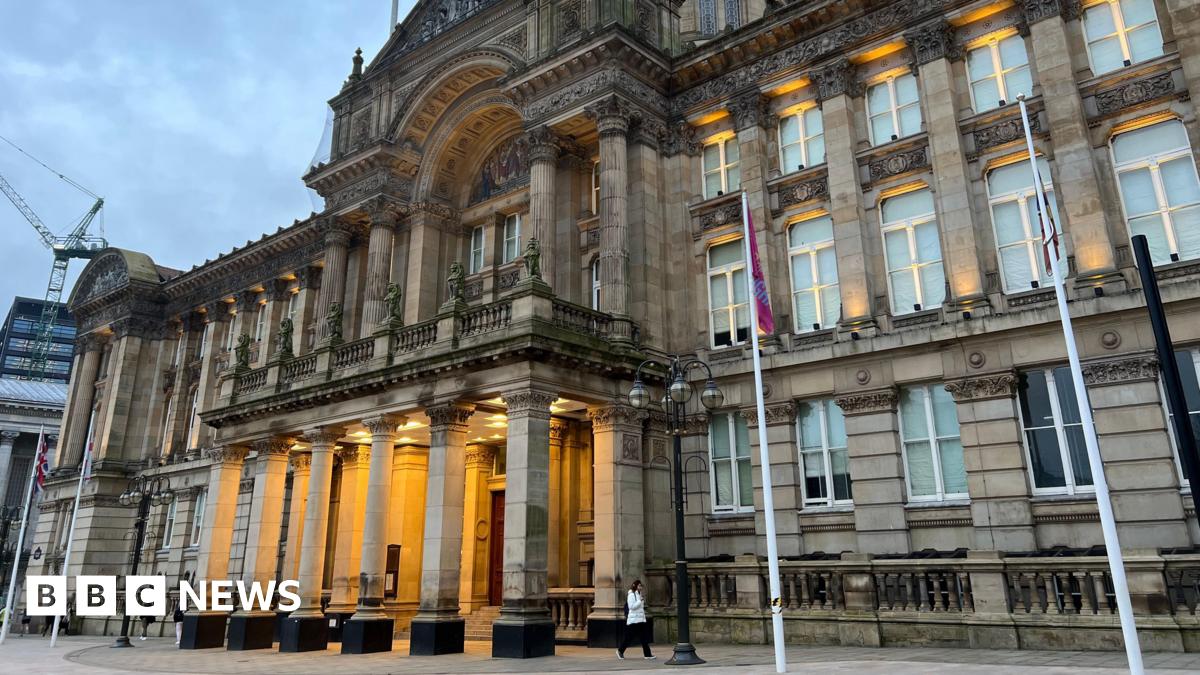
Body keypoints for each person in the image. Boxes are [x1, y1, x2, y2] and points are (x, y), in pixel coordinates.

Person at [617, 579, 654, 660]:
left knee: (644, 637)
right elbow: (631, 607)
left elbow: (640, 608)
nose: (641, 587)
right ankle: (620, 651)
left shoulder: (639, 594)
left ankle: (647, 654)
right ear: (635, 586)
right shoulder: (631, 595)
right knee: (629, 637)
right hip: (634, 620)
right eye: (640, 586)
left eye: (641, 586)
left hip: (640, 619)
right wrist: (640, 601)